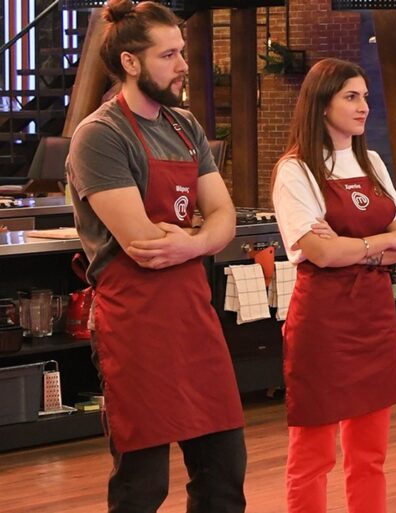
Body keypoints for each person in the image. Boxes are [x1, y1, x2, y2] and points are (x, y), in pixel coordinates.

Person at [65, 1, 246, 511]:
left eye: (181, 52)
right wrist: (200, 234)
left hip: (193, 316)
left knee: (223, 476)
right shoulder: (101, 135)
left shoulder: (185, 126)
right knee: (142, 487)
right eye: (168, 55)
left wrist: (191, 241)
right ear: (130, 62)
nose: (183, 65)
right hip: (135, 324)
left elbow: (225, 217)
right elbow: (144, 246)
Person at [271, 58, 396, 513]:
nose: (364, 107)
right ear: (322, 104)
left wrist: (354, 246)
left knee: (370, 456)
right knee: (312, 456)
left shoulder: (371, 162)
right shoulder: (295, 170)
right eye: (351, 97)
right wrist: (379, 244)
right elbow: (322, 253)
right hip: (323, 322)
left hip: (374, 317)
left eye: (365, 97)